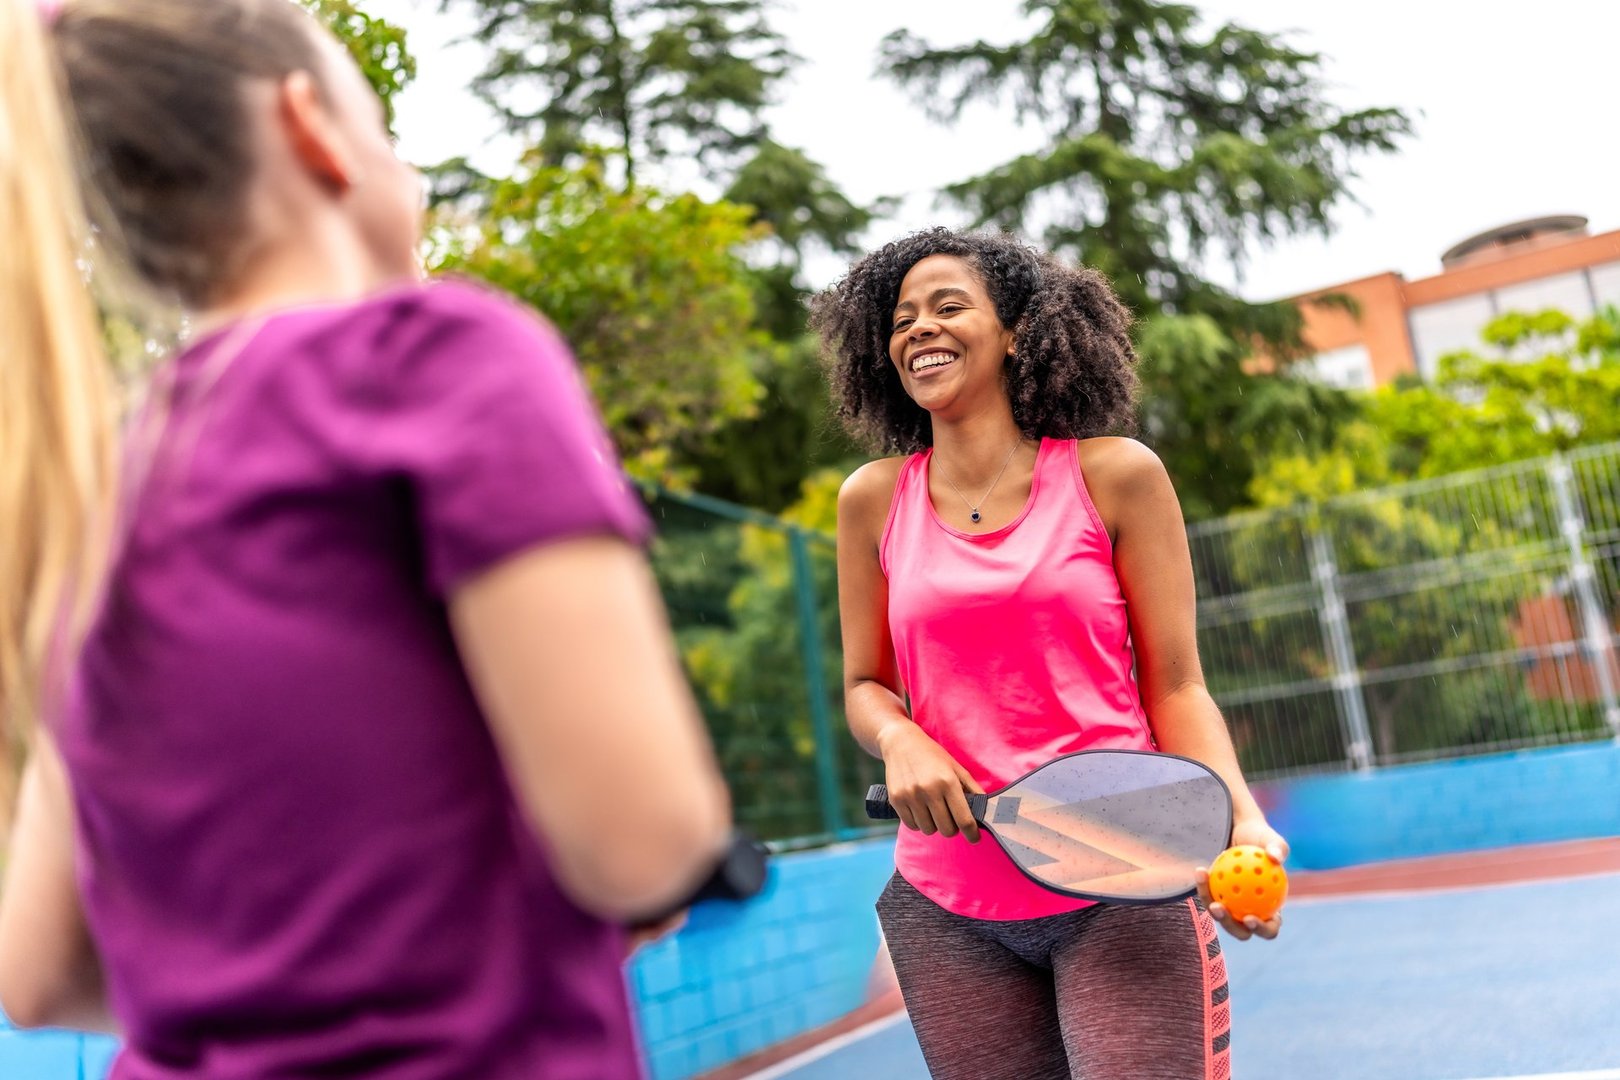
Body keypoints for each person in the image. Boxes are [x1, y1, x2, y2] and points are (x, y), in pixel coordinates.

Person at [0, 1, 732, 1075]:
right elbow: (645, 844)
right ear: (312, 128)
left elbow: (37, 972)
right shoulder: (440, 359)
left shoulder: (86, 482)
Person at [813, 228, 1287, 1080]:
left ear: (1017, 331)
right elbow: (863, 685)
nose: (920, 327)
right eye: (902, 317)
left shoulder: (1116, 476)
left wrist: (1239, 818)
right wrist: (901, 738)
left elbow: (1176, 683)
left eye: (949, 306)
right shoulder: (872, 501)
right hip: (946, 904)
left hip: (1124, 875)